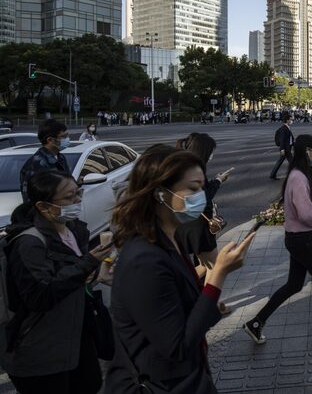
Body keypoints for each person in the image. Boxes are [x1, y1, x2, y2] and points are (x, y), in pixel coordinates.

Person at [105, 150, 254, 394]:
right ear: (160, 194)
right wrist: (217, 274)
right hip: (161, 384)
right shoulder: (144, 260)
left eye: (202, 189)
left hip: (186, 379)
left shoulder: (169, 238)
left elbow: (178, 308)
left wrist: (210, 307)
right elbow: (177, 347)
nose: (201, 197)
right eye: (193, 189)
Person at [0, 170, 113, 394]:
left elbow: (73, 280)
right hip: (40, 349)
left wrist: (94, 276)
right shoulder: (29, 243)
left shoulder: (73, 229)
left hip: (75, 338)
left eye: (78, 193)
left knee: (90, 385)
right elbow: (41, 295)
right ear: (43, 207)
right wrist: (88, 262)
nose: (77, 201)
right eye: (69, 197)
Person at [243, 135, 312, 347]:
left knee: (294, 285)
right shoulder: (298, 178)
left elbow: (305, 205)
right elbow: (305, 214)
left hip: (298, 239)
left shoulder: (300, 175)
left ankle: (256, 323)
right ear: (307, 152)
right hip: (303, 240)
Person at [174, 133, 234, 314]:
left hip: (187, 224)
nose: (211, 155)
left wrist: (216, 180)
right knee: (215, 267)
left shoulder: (182, 166)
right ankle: (207, 306)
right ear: (204, 151)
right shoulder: (194, 170)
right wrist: (218, 181)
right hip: (198, 225)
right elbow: (204, 197)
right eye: (211, 151)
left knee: (207, 265)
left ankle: (208, 303)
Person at [19, 119, 71, 202]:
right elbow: (35, 197)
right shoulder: (36, 164)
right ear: (50, 140)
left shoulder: (60, 157)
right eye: (64, 136)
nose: (67, 139)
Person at [269, 111, 294, 180]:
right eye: (291, 119)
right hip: (286, 149)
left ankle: (272, 174)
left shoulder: (287, 127)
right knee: (292, 163)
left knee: (280, 162)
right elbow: (282, 139)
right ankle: (295, 175)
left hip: (287, 148)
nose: (292, 121)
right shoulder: (284, 128)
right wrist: (282, 149)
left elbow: (290, 138)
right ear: (287, 120)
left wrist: (294, 144)